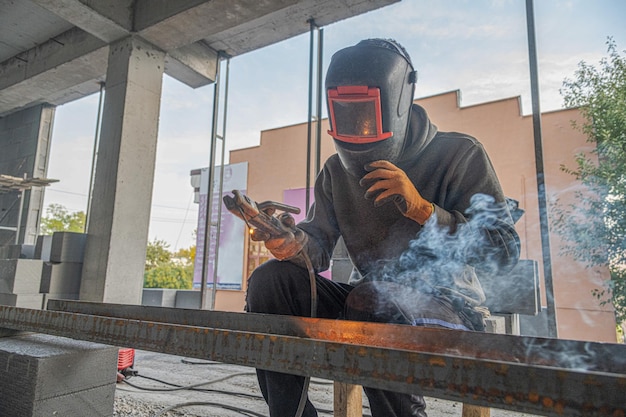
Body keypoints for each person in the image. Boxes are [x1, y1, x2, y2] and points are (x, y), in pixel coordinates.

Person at [244, 38, 520, 417]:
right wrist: (289, 243)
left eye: (367, 114)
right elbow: (318, 247)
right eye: (347, 115)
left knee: (373, 298)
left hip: (452, 308)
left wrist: (424, 210)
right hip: (369, 305)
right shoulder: (336, 172)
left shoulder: (459, 154)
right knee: (269, 281)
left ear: (399, 102)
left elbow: (504, 252)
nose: (359, 128)